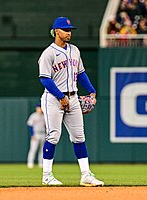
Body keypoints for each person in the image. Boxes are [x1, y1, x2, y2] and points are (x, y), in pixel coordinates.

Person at [38, 16, 104, 186]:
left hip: (73, 97)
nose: (69, 33)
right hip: (53, 98)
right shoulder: (48, 53)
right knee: (53, 136)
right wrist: (61, 97)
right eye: (66, 30)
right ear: (56, 31)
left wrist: (91, 90)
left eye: (70, 30)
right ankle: (47, 175)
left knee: (79, 137)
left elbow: (81, 73)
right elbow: (45, 79)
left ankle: (86, 175)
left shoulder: (74, 50)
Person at [26, 103, 46, 169]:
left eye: (40, 108)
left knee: (42, 150)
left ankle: (41, 163)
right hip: (36, 134)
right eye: (38, 108)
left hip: (43, 133)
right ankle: (30, 163)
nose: (39, 109)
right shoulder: (33, 116)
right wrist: (32, 135)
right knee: (33, 149)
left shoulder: (44, 116)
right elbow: (30, 126)